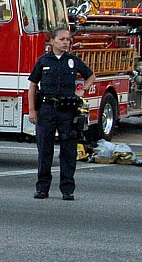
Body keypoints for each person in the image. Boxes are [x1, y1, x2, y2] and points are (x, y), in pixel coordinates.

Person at [27, 27, 95, 200]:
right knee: (45, 150)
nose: (66, 42)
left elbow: (90, 76)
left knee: (68, 150)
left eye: (68, 40)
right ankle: (42, 188)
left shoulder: (72, 60)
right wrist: (32, 110)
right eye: (62, 39)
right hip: (47, 109)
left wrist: (82, 90)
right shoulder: (43, 61)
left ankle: (67, 189)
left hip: (67, 110)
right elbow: (33, 85)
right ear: (52, 41)